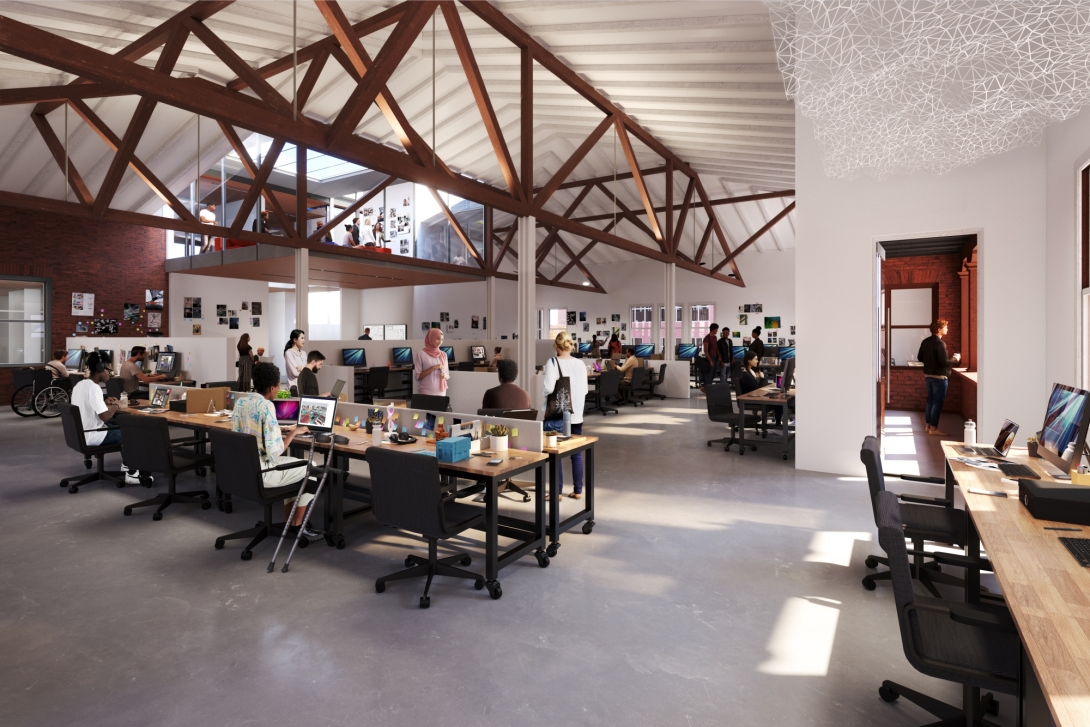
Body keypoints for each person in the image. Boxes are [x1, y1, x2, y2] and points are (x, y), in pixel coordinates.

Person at [231, 361, 313, 528]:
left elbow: (246, 433)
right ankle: (297, 525)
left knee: (295, 466)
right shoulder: (266, 406)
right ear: (272, 387)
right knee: (311, 468)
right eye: (278, 385)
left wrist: (276, 427)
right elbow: (276, 453)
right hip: (263, 473)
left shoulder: (240, 402)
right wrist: (293, 433)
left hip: (243, 469)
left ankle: (287, 521)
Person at [71, 351, 140, 484]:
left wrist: (104, 401)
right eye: (109, 370)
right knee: (130, 433)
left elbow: (87, 405)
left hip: (81, 433)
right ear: (100, 368)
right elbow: (104, 417)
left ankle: (127, 464)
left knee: (121, 425)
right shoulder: (94, 388)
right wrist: (116, 406)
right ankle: (132, 473)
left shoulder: (80, 385)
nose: (110, 374)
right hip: (93, 435)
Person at [543, 332, 589, 499]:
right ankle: (578, 491)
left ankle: (557, 492)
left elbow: (548, 387)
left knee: (556, 452)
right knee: (576, 453)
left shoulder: (553, 362)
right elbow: (584, 390)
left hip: (559, 414)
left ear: (556, 346)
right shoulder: (580, 363)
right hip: (577, 414)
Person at [918, 318, 961, 436]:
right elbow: (944, 362)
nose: (947, 328)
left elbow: (920, 358)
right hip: (940, 378)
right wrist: (955, 359)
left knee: (930, 402)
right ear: (939, 329)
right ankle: (933, 428)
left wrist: (930, 361)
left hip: (928, 376)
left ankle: (928, 426)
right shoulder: (940, 343)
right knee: (937, 403)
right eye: (945, 327)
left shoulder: (925, 341)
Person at [739, 350, 781, 426]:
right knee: (778, 403)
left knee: (777, 400)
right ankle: (778, 425)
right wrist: (761, 378)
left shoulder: (749, 372)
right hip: (751, 399)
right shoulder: (746, 374)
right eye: (755, 359)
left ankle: (778, 424)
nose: (757, 361)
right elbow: (757, 389)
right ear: (749, 360)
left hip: (754, 396)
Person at [414, 328, 449, 396]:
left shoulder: (443, 355)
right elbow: (417, 377)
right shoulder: (421, 354)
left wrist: (445, 376)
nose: (440, 342)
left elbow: (447, 375)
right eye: (438, 339)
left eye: (442, 339)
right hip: (426, 391)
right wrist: (433, 368)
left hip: (441, 391)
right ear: (431, 338)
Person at [700, 323, 721, 392]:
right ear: (713, 329)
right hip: (710, 357)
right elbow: (706, 350)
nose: (717, 331)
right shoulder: (707, 338)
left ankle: (705, 386)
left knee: (715, 374)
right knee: (710, 374)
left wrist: (719, 356)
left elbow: (716, 348)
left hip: (715, 357)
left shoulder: (715, 337)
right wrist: (710, 360)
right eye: (716, 329)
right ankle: (707, 388)